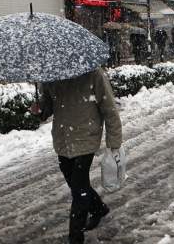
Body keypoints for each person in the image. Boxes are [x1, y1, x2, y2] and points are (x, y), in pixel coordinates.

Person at [31, 68, 123, 244]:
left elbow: (109, 107)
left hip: (86, 136)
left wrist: (114, 142)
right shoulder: (50, 73)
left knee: (79, 188)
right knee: (76, 184)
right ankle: (98, 208)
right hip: (62, 138)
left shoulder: (93, 73)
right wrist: (40, 108)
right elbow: (48, 104)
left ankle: (75, 237)